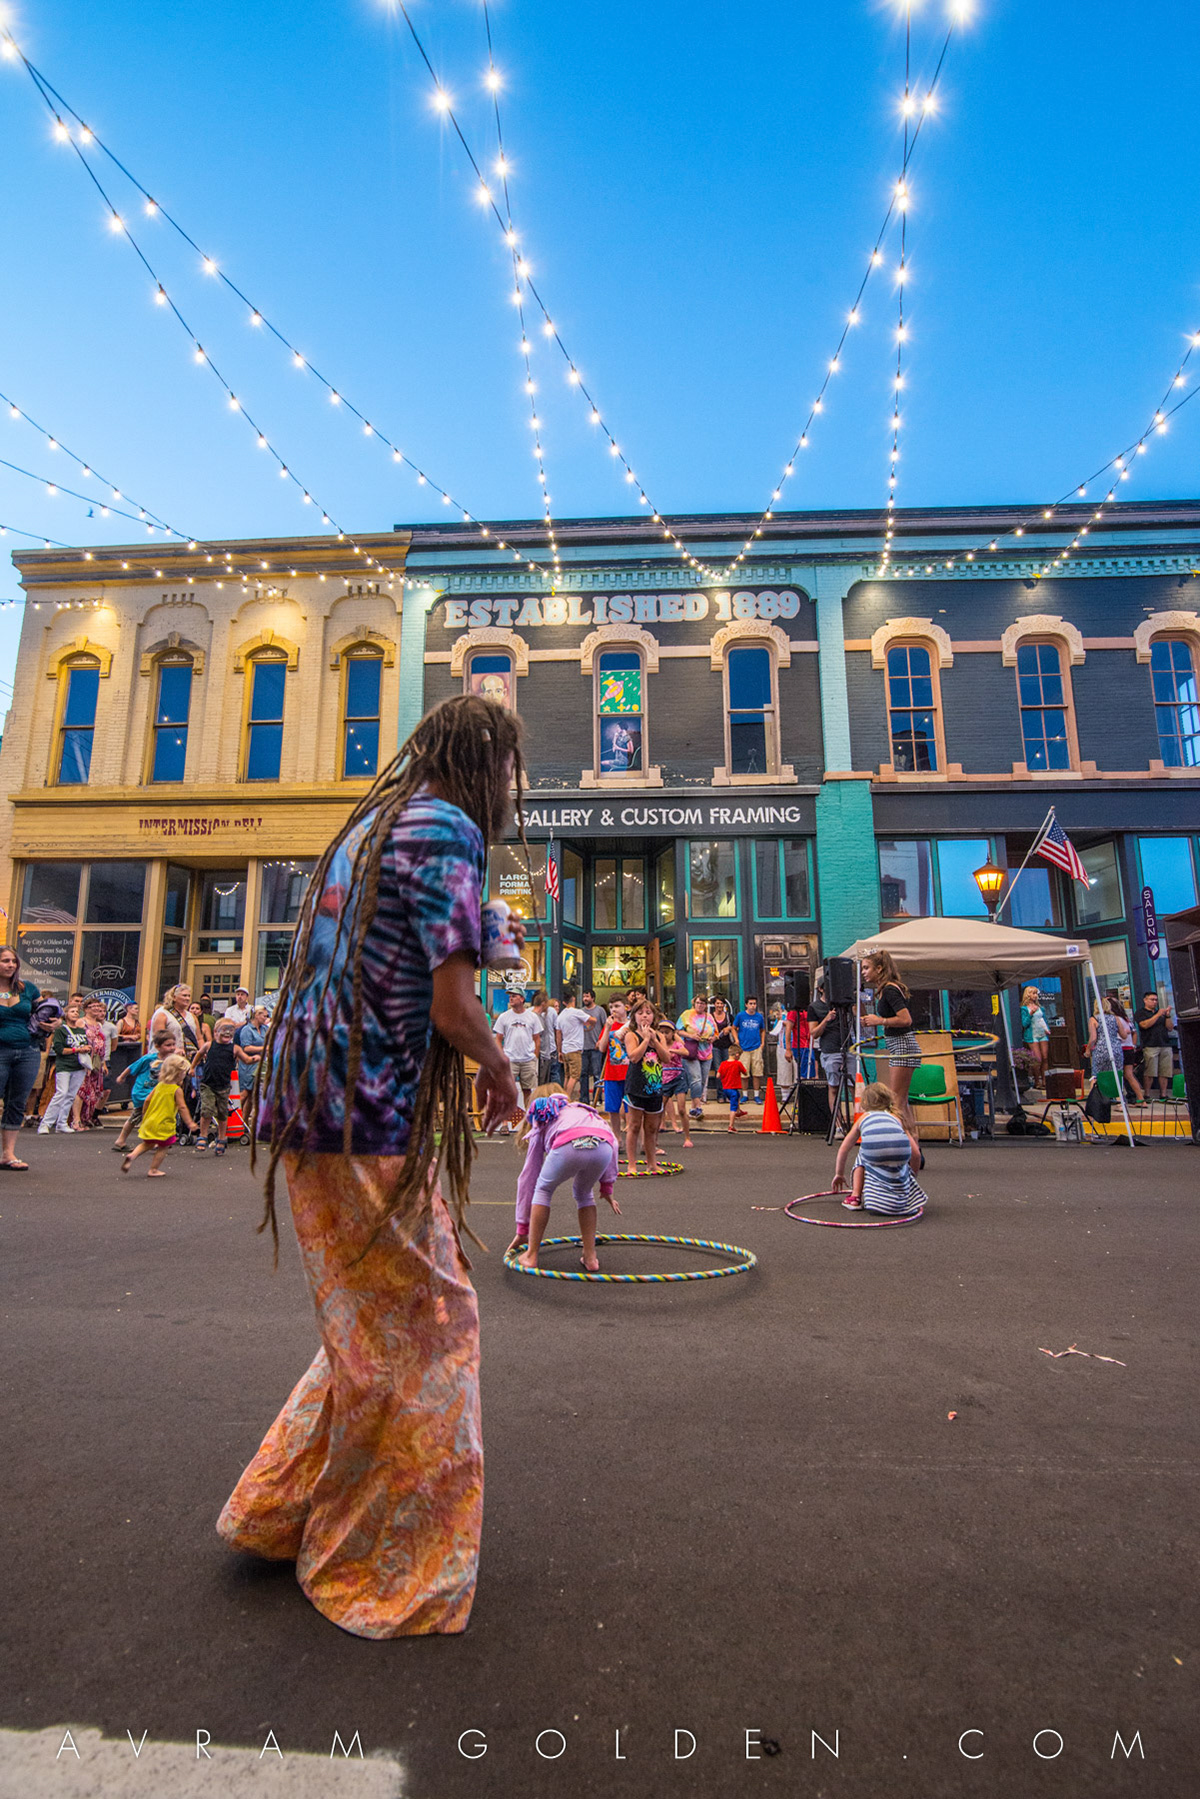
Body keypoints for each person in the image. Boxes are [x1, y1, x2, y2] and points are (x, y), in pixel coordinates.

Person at [217, 693, 524, 1640]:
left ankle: (279, 1505)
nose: (513, 784)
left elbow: (393, 952)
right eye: (510, 765)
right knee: (434, 1325)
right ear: (481, 762)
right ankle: (392, 1564)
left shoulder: (375, 827)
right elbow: (449, 1005)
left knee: (371, 1321)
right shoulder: (446, 828)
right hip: (367, 1110)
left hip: (309, 1100)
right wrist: (502, 1067)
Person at [508, 1086, 621, 1273]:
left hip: (568, 1143)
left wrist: (522, 1229)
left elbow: (530, 1175)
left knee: (542, 1190)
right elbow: (613, 1141)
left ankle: (531, 1255)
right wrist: (606, 1186)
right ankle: (590, 1256)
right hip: (603, 1145)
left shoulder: (544, 1115)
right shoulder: (583, 1110)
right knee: (584, 1193)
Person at [832, 1082, 926, 1217]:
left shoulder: (864, 1117)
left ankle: (855, 1197)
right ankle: (903, 1193)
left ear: (865, 1103)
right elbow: (916, 1154)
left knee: (862, 1154)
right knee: (899, 1161)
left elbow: (844, 1149)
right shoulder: (896, 1117)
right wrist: (912, 1177)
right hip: (901, 1152)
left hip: (875, 1152)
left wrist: (839, 1174)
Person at [860, 951, 921, 1137]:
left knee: (896, 1101)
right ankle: (914, 1145)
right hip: (899, 1045)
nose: (863, 972)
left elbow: (906, 1019)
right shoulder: (887, 989)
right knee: (902, 1101)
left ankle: (905, 1144)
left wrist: (880, 1021)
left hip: (903, 1045)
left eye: (866, 968)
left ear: (879, 968)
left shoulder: (890, 990)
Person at [0, 945, 42, 1170]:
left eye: (13, 961)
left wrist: (52, 1022)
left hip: (27, 1050)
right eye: (5, 961)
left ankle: (8, 1154)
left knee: (17, 1102)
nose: (10, 965)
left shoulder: (26, 989)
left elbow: (45, 1012)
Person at [121, 1053, 195, 1176]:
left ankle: (132, 1155)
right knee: (164, 1146)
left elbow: (147, 1100)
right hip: (164, 1123)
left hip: (151, 1121)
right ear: (178, 1074)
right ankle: (153, 1169)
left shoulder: (159, 1086)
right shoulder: (176, 1090)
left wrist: (145, 1115)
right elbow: (182, 1107)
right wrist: (190, 1122)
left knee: (147, 1143)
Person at [623, 1002, 670, 1173]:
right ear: (634, 1016)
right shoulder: (631, 1035)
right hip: (636, 1086)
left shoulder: (659, 1036)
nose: (645, 1016)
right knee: (634, 1125)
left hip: (655, 1087)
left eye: (648, 1013)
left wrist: (655, 1041)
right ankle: (632, 1164)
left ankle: (652, 1162)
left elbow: (667, 1057)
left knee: (651, 1128)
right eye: (641, 1013)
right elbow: (634, 1057)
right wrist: (645, 1040)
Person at [112, 1028, 178, 1151]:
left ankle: (153, 1140)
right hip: (143, 1092)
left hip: (156, 1093)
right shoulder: (149, 1058)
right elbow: (132, 1067)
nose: (172, 1048)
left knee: (152, 1116)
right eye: (168, 1045)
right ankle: (124, 1140)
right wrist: (121, 1077)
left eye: (174, 1044)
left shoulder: (172, 1061)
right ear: (158, 1046)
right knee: (138, 1115)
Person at [196, 1019, 256, 1154]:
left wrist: (257, 1058)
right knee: (206, 1109)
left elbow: (246, 1059)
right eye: (224, 1029)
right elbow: (199, 1054)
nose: (227, 1032)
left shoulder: (234, 1048)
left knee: (223, 1113)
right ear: (215, 1032)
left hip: (223, 1085)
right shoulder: (209, 1045)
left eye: (231, 1030)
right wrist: (192, 1067)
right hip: (208, 1084)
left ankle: (222, 1137)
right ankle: (203, 1135)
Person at [38, 1002, 90, 1134]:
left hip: (78, 1066)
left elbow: (85, 1047)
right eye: (72, 1011)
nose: (75, 1014)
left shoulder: (81, 1031)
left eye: (77, 1012)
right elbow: (59, 1049)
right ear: (66, 1014)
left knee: (71, 1095)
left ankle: (62, 1122)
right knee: (61, 1093)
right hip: (64, 1066)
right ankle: (46, 1123)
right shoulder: (61, 1030)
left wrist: (87, 1050)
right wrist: (77, 1049)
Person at [493, 988, 542, 1116]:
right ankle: (504, 1122)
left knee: (528, 1090)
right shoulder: (504, 1016)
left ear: (522, 999)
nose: (511, 998)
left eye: (514, 996)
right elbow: (498, 1039)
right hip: (510, 1060)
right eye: (510, 996)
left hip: (527, 1059)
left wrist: (534, 1057)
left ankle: (528, 1121)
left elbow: (537, 1039)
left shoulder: (532, 1017)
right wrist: (502, 1055)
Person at [808, 976, 849, 1121]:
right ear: (821, 989)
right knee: (834, 1087)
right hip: (830, 1050)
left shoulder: (843, 1003)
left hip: (848, 1048)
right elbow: (814, 1033)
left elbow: (859, 1014)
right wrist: (826, 1019)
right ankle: (838, 1124)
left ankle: (858, 1123)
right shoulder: (815, 1007)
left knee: (854, 1086)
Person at [76, 997, 115, 1129]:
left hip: (97, 1061)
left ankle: (87, 1117)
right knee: (82, 1089)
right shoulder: (81, 1022)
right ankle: (76, 1120)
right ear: (86, 1009)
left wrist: (102, 1063)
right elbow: (78, 1041)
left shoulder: (99, 1025)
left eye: (99, 1007)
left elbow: (104, 1045)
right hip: (84, 1059)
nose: (97, 1009)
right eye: (94, 1007)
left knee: (94, 1090)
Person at [676, 995, 717, 1120]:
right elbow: (677, 1031)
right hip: (691, 1052)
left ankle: (693, 1108)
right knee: (696, 1079)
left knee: (703, 1080)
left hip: (706, 1052)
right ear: (694, 1003)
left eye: (702, 1003)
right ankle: (698, 1107)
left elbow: (716, 1033)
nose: (700, 1005)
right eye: (698, 1003)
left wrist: (712, 1038)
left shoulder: (709, 1017)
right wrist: (691, 1035)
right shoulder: (687, 1014)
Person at [597, 1000, 629, 1139]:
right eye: (611, 1007)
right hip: (612, 1072)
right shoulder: (609, 1026)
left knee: (632, 1109)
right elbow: (602, 1048)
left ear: (626, 1007)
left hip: (629, 1073)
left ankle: (637, 1141)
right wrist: (608, 1028)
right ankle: (617, 1138)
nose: (613, 1010)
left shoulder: (631, 1025)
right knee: (612, 1109)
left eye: (617, 1006)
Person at [659, 1022, 694, 1148]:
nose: (664, 1035)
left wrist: (672, 1050)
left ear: (672, 1033)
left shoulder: (677, 1044)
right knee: (659, 1109)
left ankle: (687, 1137)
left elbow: (686, 1052)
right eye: (662, 1032)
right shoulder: (659, 1045)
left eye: (667, 1032)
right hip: (664, 1078)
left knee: (681, 1108)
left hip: (678, 1076)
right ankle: (654, 1139)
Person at [1136, 989, 1174, 1101]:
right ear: (1145, 1000)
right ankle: (1147, 1094)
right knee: (1150, 1072)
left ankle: (1163, 1094)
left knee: (1165, 1071)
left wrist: (1167, 1016)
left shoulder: (1161, 1014)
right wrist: (1157, 1015)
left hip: (1164, 1044)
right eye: (1152, 1000)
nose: (1154, 1002)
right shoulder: (1141, 1013)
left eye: (1156, 1000)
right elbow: (1144, 1025)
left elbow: (1170, 1028)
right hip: (1150, 1045)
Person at [555, 989, 593, 1099]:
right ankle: (567, 1098)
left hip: (565, 1048)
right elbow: (592, 1020)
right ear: (574, 999)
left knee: (567, 1075)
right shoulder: (577, 1012)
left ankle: (564, 1096)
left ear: (563, 1002)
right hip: (575, 1048)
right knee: (575, 1076)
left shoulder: (561, 1016)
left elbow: (558, 1034)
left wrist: (559, 1050)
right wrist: (591, 1025)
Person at [1085, 996, 1124, 1100]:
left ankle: (1095, 1100)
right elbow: (1124, 1035)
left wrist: (1088, 1049)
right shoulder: (1115, 1018)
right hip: (1115, 1048)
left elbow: (1093, 1038)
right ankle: (1119, 1101)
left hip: (1100, 1048)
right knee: (1116, 1074)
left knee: (1096, 1075)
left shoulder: (1094, 1019)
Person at [1107, 997, 1144, 1105]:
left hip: (1120, 1048)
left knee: (1116, 1074)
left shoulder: (1113, 1019)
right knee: (1129, 1075)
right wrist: (1133, 1044)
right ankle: (1141, 1099)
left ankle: (1119, 1100)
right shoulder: (1125, 1018)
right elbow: (1133, 1031)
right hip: (1129, 1049)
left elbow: (1117, 1034)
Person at [733, 995, 767, 1103]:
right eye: (751, 1004)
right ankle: (745, 1095)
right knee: (744, 1073)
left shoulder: (759, 1017)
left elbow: (762, 1030)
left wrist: (762, 1043)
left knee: (757, 1072)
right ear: (746, 1005)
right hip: (743, 1048)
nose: (753, 1006)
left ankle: (756, 1095)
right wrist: (736, 1040)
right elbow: (733, 1028)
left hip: (756, 1047)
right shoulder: (741, 1016)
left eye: (754, 1004)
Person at [579, 990, 606, 1105]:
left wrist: (601, 1040)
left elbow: (606, 1026)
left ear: (593, 998)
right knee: (583, 1073)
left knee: (597, 1073)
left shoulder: (600, 1011)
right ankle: (584, 1099)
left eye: (587, 996)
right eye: (584, 996)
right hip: (583, 1046)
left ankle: (597, 1098)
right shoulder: (580, 1012)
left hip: (596, 1046)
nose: (585, 999)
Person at [1020, 986, 1050, 1087]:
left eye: (1036, 993)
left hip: (1042, 1034)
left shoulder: (1041, 1008)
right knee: (1037, 1059)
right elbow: (1024, 1024)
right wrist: (1031, 1014)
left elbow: (1043, 1020)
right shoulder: (1024, 1009)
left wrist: (1047, 1029)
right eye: (1033, 993)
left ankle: (1045, 1081)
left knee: (1045, 1058)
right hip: (1032, 1035)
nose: (1035, 995)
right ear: (1028, 995)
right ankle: (1037, 1080)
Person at [532, 990, 560, 1087]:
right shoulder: (535, 1017)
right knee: (542, 1082)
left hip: (545, 1054)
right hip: (541, 1055)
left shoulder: (535, 1015)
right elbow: (537, 1039)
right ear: (543, 1004)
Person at [717, 1047, 744, 1133]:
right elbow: (745, 1072)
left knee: (738, 1096)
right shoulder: (738, 1063)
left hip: (725, 1088)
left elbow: (718, 1075)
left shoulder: (723, 1064)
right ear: (737, 1055)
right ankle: (731, 1126)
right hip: (733, 1088)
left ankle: (739, 1111)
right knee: (733, 1107)